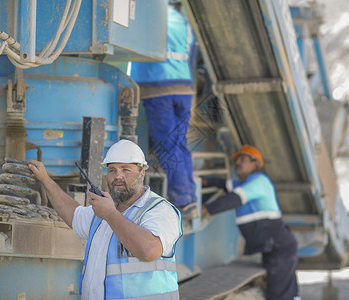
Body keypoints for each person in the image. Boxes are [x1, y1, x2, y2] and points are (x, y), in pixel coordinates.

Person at [28, 139, 182, 299]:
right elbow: (74, 215)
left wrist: (110, 214)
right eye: (112, 170)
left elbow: (149, 250)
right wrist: (45, 180)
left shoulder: (159, 210)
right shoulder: (104, 210)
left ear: (142, 173)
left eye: (126, 169)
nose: (118, 176)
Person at [201, 145, 300, 300]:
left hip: (280, 248)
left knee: (278, 295)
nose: (238, 163)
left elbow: (234, 198)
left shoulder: (259, 181)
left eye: (243, 159)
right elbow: (223, 183)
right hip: (274, 248)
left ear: (255, 163)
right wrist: (205, 182)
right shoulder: (243, 183)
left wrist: (206, 209)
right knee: (287, 292)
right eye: (237, 160)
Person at [130, 0, 198, 219]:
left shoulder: (149, 15)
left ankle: (182, 201)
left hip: (159, 87)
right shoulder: (184, 22)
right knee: (179, 144)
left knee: (167, 147)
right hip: (183, 89)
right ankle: (190, 197)